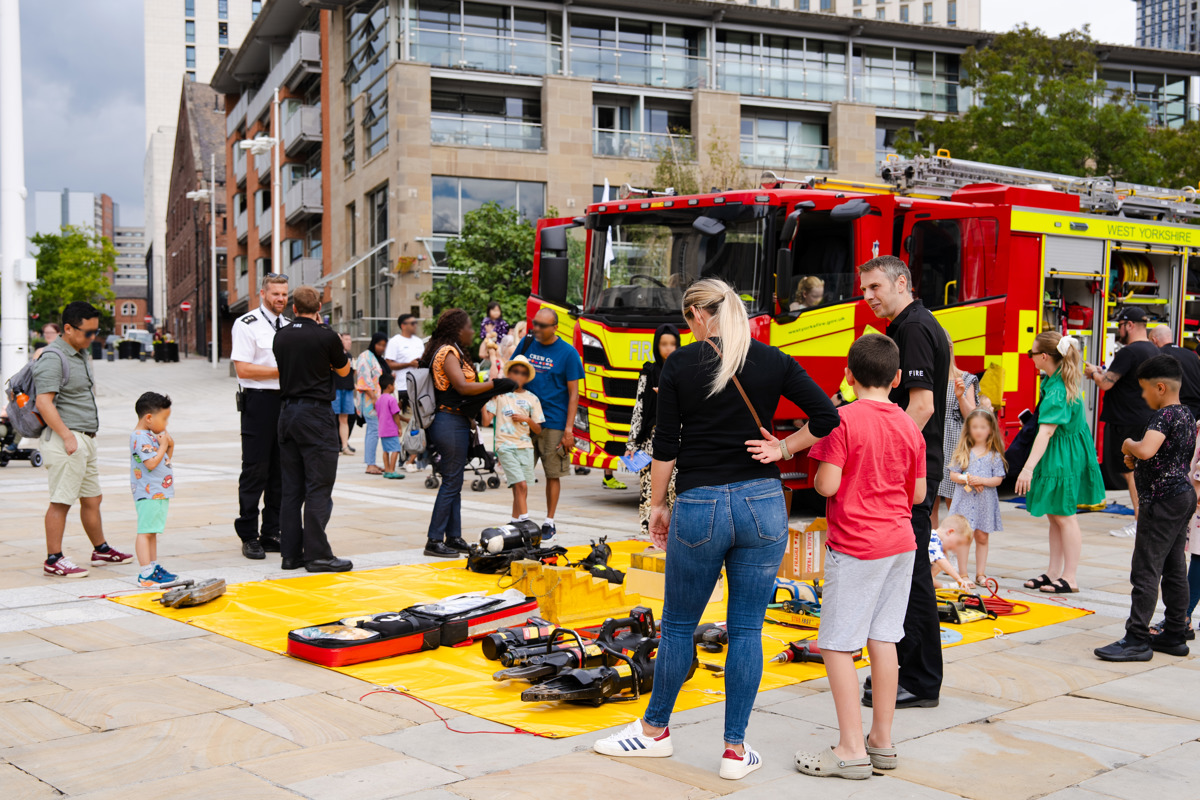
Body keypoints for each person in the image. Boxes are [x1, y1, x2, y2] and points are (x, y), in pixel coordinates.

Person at [593, 278, 838, 781]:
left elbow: (665, 446)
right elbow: (827, 417)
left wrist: (658, 504)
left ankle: (655, 731)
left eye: (688, 319)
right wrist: (785, 449)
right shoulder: (773, 359)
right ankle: (734, 751)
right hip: (762, 502)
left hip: (701, 501)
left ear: (697, 316)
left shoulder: (680, 363)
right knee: (747, 628)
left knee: (680, 624)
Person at [794, 334, 925, 781]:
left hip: (856, 546)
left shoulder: (842, 421)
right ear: (897, 378)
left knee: (835, 645)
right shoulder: (910, 425)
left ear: (848, 376)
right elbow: (920, 492)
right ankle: (881, 742)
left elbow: (827, 486)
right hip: (901, 543)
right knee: (884, 638)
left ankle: (849, 749)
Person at [858, 255, 949, 710]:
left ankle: (920, 680)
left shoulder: (912, 328)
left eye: (876, 287)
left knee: (911, 578)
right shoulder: (911, 324)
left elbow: (923, 406)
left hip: (910, 467)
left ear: (901, 281)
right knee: (905, 575)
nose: (869, 296)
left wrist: (886, 457)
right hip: (916, 465)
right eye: (864, 290)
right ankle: (908, 674)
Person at [1095, 355, 1198, 661]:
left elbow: (1147, 448)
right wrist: (1139, 460)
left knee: (1146, 568)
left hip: (1162, 500)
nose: (1142, 396)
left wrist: (1128, 444)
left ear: (1161, 387)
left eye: (1144, 389)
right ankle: (1175, 634)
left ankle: (1136, 638)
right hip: (1181, 496)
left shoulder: (1164, 416)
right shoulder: (1187, 415)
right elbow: (1165, 455)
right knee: (1174, 568)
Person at [34, 302, 132, 578]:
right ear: (68, 328)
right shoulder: (54, 357)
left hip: (84, 438)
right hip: (67, 439)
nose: (92, 338)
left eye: (95, 332)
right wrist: (67, 436)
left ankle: (100, 549)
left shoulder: (80, 353)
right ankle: (54, 559)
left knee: (92, 498)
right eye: (88, 332)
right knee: (61, 500)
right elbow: (44, 402)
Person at [421, 309, 516, 558]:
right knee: (451, 482)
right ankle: (434, 540)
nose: (474, 331)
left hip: (455, 420)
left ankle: (453, 537)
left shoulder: (449, 349)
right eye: (470, 326)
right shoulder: (448, 352)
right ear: (457, 329)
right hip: (448, 421)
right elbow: (463, 387)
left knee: (454, 482)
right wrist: (496, 385)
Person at [1017, 333, 1105, 594]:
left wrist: (1027, 468)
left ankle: (1070, 577)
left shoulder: (1056, 389)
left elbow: (1046, 432)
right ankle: (1055, 572)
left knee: (1064, 516)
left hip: (1062, 455)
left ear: (1044, 357)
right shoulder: (1056, 381)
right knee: (1056, 515)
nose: (1030, 357)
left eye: (1032, 353)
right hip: (1063, 451)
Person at [273, 285, 353, 573]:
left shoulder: (280, 336)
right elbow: (344, 371)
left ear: (293, 308)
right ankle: (317, 555)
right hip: (316, 415)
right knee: (318, 486)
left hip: (287, 414)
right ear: (319, 308)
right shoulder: (326, 336)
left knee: (292, 489)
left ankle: (290, 555)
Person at [231, 273, 290, 560]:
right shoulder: (246, 324)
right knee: (255, 470)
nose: (280, 298)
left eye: (284, 294)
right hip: (258, 402)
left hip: (286, 402)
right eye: (275, 293)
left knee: (280, 471)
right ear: (262, 293)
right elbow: (243, 369)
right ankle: (248, 534)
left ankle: (271, 532)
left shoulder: (290, 326)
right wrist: (285, 371)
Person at [1084, 306, 1158, 538]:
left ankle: (1139, 523)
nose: (1119, 330)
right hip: (1146, 416)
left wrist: (1093, 373)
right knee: (1145, 472)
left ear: (1130, 325)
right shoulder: (1153, 350)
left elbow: (1106, 384)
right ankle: (1148, 521)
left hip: (1126, 420)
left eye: (1120, 325)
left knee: (1131, 473)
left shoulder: (1129, 352)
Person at [518, 308, 585, 541]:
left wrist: (569, 430)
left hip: (554, 422)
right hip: (525, 420)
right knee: (520, 472)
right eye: (535, 324)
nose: (536, 329)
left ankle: (549, 521)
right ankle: (520, 519)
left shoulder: (568, 353)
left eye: (542, 326)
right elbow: (513, 373)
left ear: (555, 327)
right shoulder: (527, 343)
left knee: (552, 473)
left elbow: (574, 394)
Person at [627, 324, 680, 536]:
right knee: (649, 487)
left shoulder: (682, 371)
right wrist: (632, 444)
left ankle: (676, 533)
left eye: (673, 344)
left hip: (677, 437)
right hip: (651, 438)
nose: (668, 349)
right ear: (656, 345)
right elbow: (639, 408)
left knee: (675, 486)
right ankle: (649, 533)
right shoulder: (649, 371)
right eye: (663, 344)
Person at [947, 408, 1007, 585]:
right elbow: (953, 475)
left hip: (984, 503)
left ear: (990, 429)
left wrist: (982, 481)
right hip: (965, 501)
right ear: (968, 429)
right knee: (965, 536)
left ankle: (980, 573)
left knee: (982, 536)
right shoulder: (963, 452)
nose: (979, 431)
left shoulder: (994, 455)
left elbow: (998, 479)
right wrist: (968, 479)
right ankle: (963, 574)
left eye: (983, 427)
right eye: (975, 427)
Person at [482, 356, 545, 524]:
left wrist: (527, 419)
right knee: (521, 485)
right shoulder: (500, 396)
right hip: (505, 446)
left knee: (521, 489)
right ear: (509, 373)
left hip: (526, 446)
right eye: (516, 372)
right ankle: (526, 522)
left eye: (523, 373)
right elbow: (486, 421)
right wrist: (483, 397)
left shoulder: (533, 398)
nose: (519, 376)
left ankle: (514, 523)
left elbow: (538, 429)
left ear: (527, 377)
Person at [130, 392, 177, 587]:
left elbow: (165, 458)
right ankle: (146, 572)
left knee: (152, 531)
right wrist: (163, 444)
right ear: (149, 418)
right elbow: (150, 463)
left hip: (157, 491)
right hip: (148, 492)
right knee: (145, 531)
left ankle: (153, 567)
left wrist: (169, 445)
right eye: (164, 419)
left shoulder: (149, 435)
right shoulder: (140, 437)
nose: (165, 424)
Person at [935, 331, 979, 527]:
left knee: (955, 506)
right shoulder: (930, 379)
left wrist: (961, 396)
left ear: (949, 348)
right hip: (933, 444)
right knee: (929, 505)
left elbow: (973, 417)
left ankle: (954, 554)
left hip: (956, 450)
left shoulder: (966, 378)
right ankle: (933, 553)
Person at [355, 332, 390, 475]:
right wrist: (375, 399)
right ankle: (370, 464)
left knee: (375, 431)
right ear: (373, 343)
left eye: (384, 345)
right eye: (379, 344)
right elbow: (363, 380)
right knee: (373, 431)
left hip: (379, 401)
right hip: (370, 402)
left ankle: (372, 462)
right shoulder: (365, 357)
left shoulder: (379, 359)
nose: (381, 347)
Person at [1149, 325, 1200, 418]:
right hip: (1195, 410)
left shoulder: (1158, 355)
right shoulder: (1192, 355)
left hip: (1173, 410)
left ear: (1154, 340)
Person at [930, 514, 974, 589]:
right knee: (943, 560)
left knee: (944, 558)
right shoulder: (933, 538)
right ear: (950, 532)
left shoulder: (935, 539)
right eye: (958, 543)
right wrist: (958, 578)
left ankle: (930, 584)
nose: (955, 548)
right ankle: (938, 586)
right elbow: (941, 560)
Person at [376, 374, 406, 480]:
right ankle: (392, 470)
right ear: (389, 386)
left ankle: (387, 470)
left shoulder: (379, 400)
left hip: (382, 429)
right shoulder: (392, 400)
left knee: (386, 450)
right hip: (391, 429)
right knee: (395, 449)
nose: (394, 387)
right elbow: (395, 415)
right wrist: (399, 427)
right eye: (393, 385)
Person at [332, 333, 357, 455]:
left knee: (344, 418)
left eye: (350, 339)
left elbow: (353, 372)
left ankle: (344, 445)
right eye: (346, 339)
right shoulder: (334, 354)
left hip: (347, 388)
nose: (349, 342)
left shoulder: (350, 356)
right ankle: (334, 445)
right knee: (332, 417)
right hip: (335, 388)